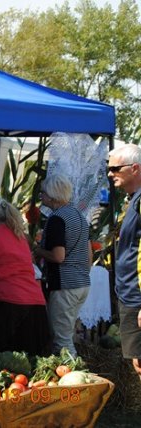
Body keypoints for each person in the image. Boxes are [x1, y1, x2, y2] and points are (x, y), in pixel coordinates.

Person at [0, 196, 49, 355]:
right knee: (35, 368)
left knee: (7, 365)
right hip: (36, 304)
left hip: (5, 306)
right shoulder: (20, 237)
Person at [34, 174, 92, 357]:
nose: (41, 196)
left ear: (52, 195)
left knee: (62, 340)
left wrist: (37, 251)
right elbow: (89, 253)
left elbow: (58, 256)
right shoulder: (79, 216)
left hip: (64, 284)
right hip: (82, 282)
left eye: (43, 193)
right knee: (68, 334)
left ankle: (75, 378)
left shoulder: (56, 219)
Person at [108, 144, 141, 380]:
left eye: (116, 168)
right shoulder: (133, 200)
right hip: (130, 295)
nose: (110, 173)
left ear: (135, 168)